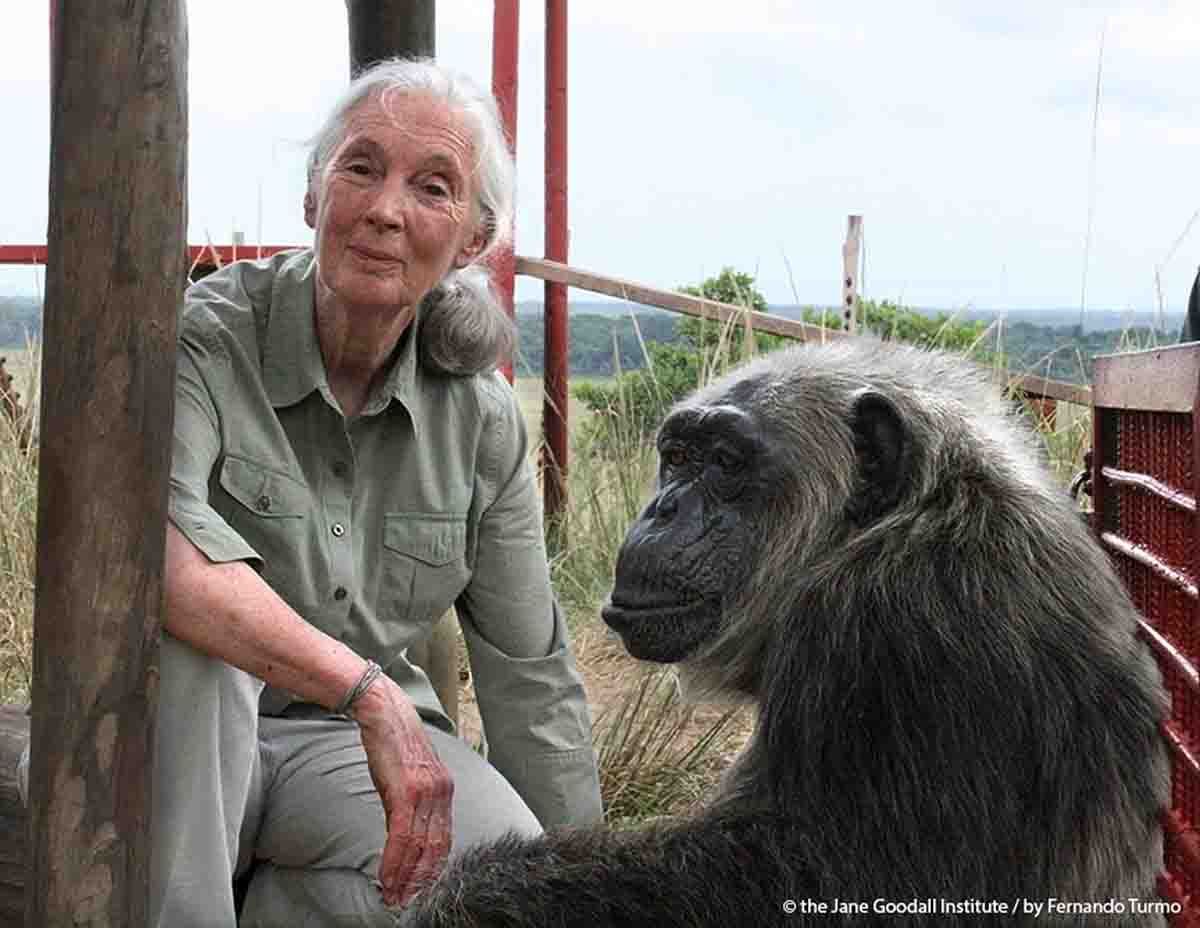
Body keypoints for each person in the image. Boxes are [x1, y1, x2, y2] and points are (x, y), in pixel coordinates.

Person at [152, 57, 603, 927]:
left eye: (431, 188)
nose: (386, 210)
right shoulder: (206, 341)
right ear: (314, 197)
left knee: (494, 878)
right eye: (360, 168)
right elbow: (164, 560)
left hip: (341, 761)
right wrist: (369, 691)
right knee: (201, 654)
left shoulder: (480, 418)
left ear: (472, 240)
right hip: (182, 754)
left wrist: (585, 888)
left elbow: (529, 677)